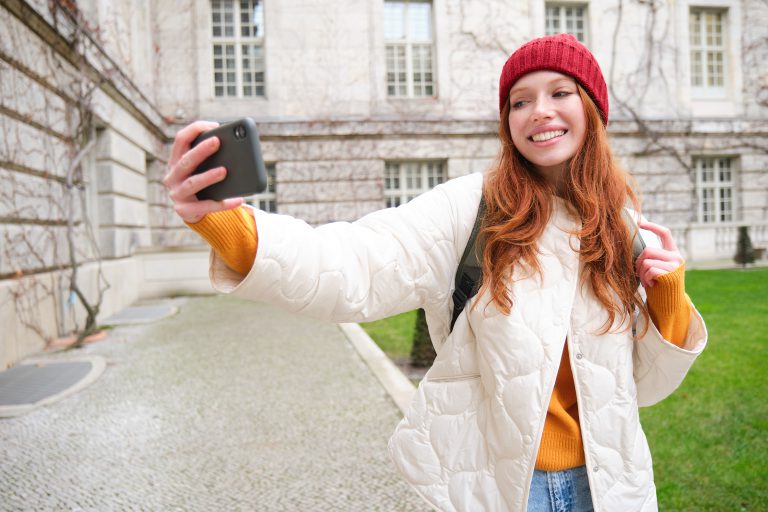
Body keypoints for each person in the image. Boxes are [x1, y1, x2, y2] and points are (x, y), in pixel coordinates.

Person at [163, 33, 707, 512]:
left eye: (559, 93)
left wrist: (667, 299)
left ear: (591, 108)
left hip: (613, 488)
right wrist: (229, 226)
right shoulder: (471, 207)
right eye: (521, 100)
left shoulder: (621, 223)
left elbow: (641, 388)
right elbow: (357, 264)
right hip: (503, 488)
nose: (539, 111)